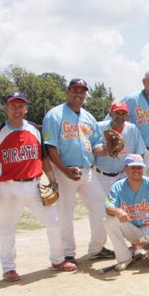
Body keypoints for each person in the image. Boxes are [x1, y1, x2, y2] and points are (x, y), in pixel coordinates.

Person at [0, 92, 76, 283]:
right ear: (6, 108)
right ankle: (9, 268)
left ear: (26, 108)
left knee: (54, 221)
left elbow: (43, 157)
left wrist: (52, 180)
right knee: (7, 228)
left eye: (21, 106)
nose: (17, 110)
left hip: (34, 184)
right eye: (13, 105)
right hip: (7, 187)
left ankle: (57, 259)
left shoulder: (34, 129)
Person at [42, 78, 112, 263]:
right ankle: (68, 253)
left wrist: (105, 150)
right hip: (64, 171)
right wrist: (63, 170)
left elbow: (95, 144)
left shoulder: (88, 118)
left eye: (82, 91)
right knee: (65, 213)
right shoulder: (54, 115)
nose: (79, 94)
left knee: (100, 206)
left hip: (87, 171)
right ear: (68, 92)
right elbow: (50, 147)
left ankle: (96, 248)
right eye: (75, 90)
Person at [103, 154, 149, 270]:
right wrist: (118, 211)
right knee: (109, 220)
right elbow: (107, 207)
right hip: (133, 230)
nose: (136, 170)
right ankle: (125, 257)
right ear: (126, 168)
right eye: (133, 167)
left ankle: (147, 250)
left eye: (139, 167)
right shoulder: (117, 186)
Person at [93, 101, 146, 193]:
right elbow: (94, 149)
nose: (120, 116)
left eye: (123, 113)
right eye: (117, 113)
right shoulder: (100, 127)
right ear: (110, 114)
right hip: (101, 176)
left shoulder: (132, 129)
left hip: (123, 175)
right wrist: (106, 150)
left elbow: (140, 153)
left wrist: (132, 170)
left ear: (127, 115)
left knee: (123, 205)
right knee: (102, 206)